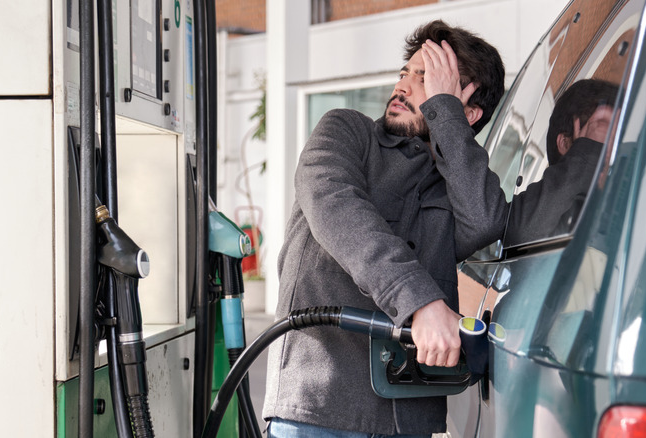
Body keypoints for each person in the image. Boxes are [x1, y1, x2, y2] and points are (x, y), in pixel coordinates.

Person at [262, 20, 506, 437]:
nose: (404, 87)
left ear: (466, 111)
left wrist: (445, 116)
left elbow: (484, 222)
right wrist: (421, 302)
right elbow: (337, 207)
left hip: (410, 418)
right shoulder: (345, 130)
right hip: (321, 408)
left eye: (426, 78)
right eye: (404, 73)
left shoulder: (457, 183)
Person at [503, 78, 619, 245]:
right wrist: (585, 154)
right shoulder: (557, 218)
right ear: (565, 144)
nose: (612, 155)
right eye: (603, 135)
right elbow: (524, 237)